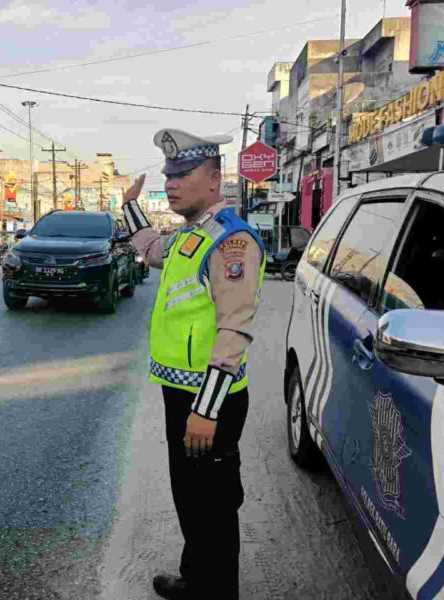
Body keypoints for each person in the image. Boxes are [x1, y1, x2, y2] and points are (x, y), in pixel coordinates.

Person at [121, 129, 266, 600]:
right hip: (181, 393)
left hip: (210, 400)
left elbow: (234, 330)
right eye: (169, 175)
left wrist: (205, 410)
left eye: (184, 173)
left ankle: (216, 590)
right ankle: (197, 579)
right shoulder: (191, 234)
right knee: (190, 497)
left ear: (215, 179)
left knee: (213, 507)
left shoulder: (230, 242)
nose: (172, 183)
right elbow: (151, 250)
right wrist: (130, 207)